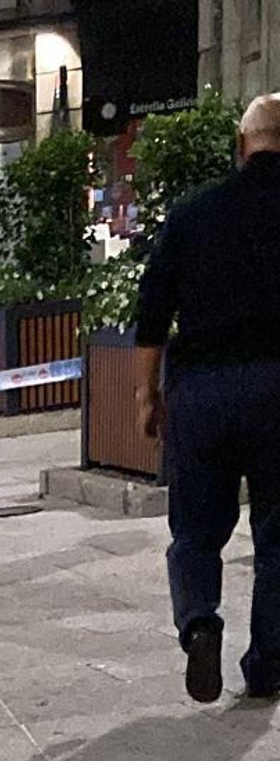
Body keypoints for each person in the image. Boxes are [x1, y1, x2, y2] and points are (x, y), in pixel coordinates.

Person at [134, 92, 280, 705]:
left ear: (241, 146)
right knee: (277, 535)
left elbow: (152, 310)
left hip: (201, 391)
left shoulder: (194, 214)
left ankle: (199, 621)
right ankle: (269, 664)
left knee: (194, 528)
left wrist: (147, 394)